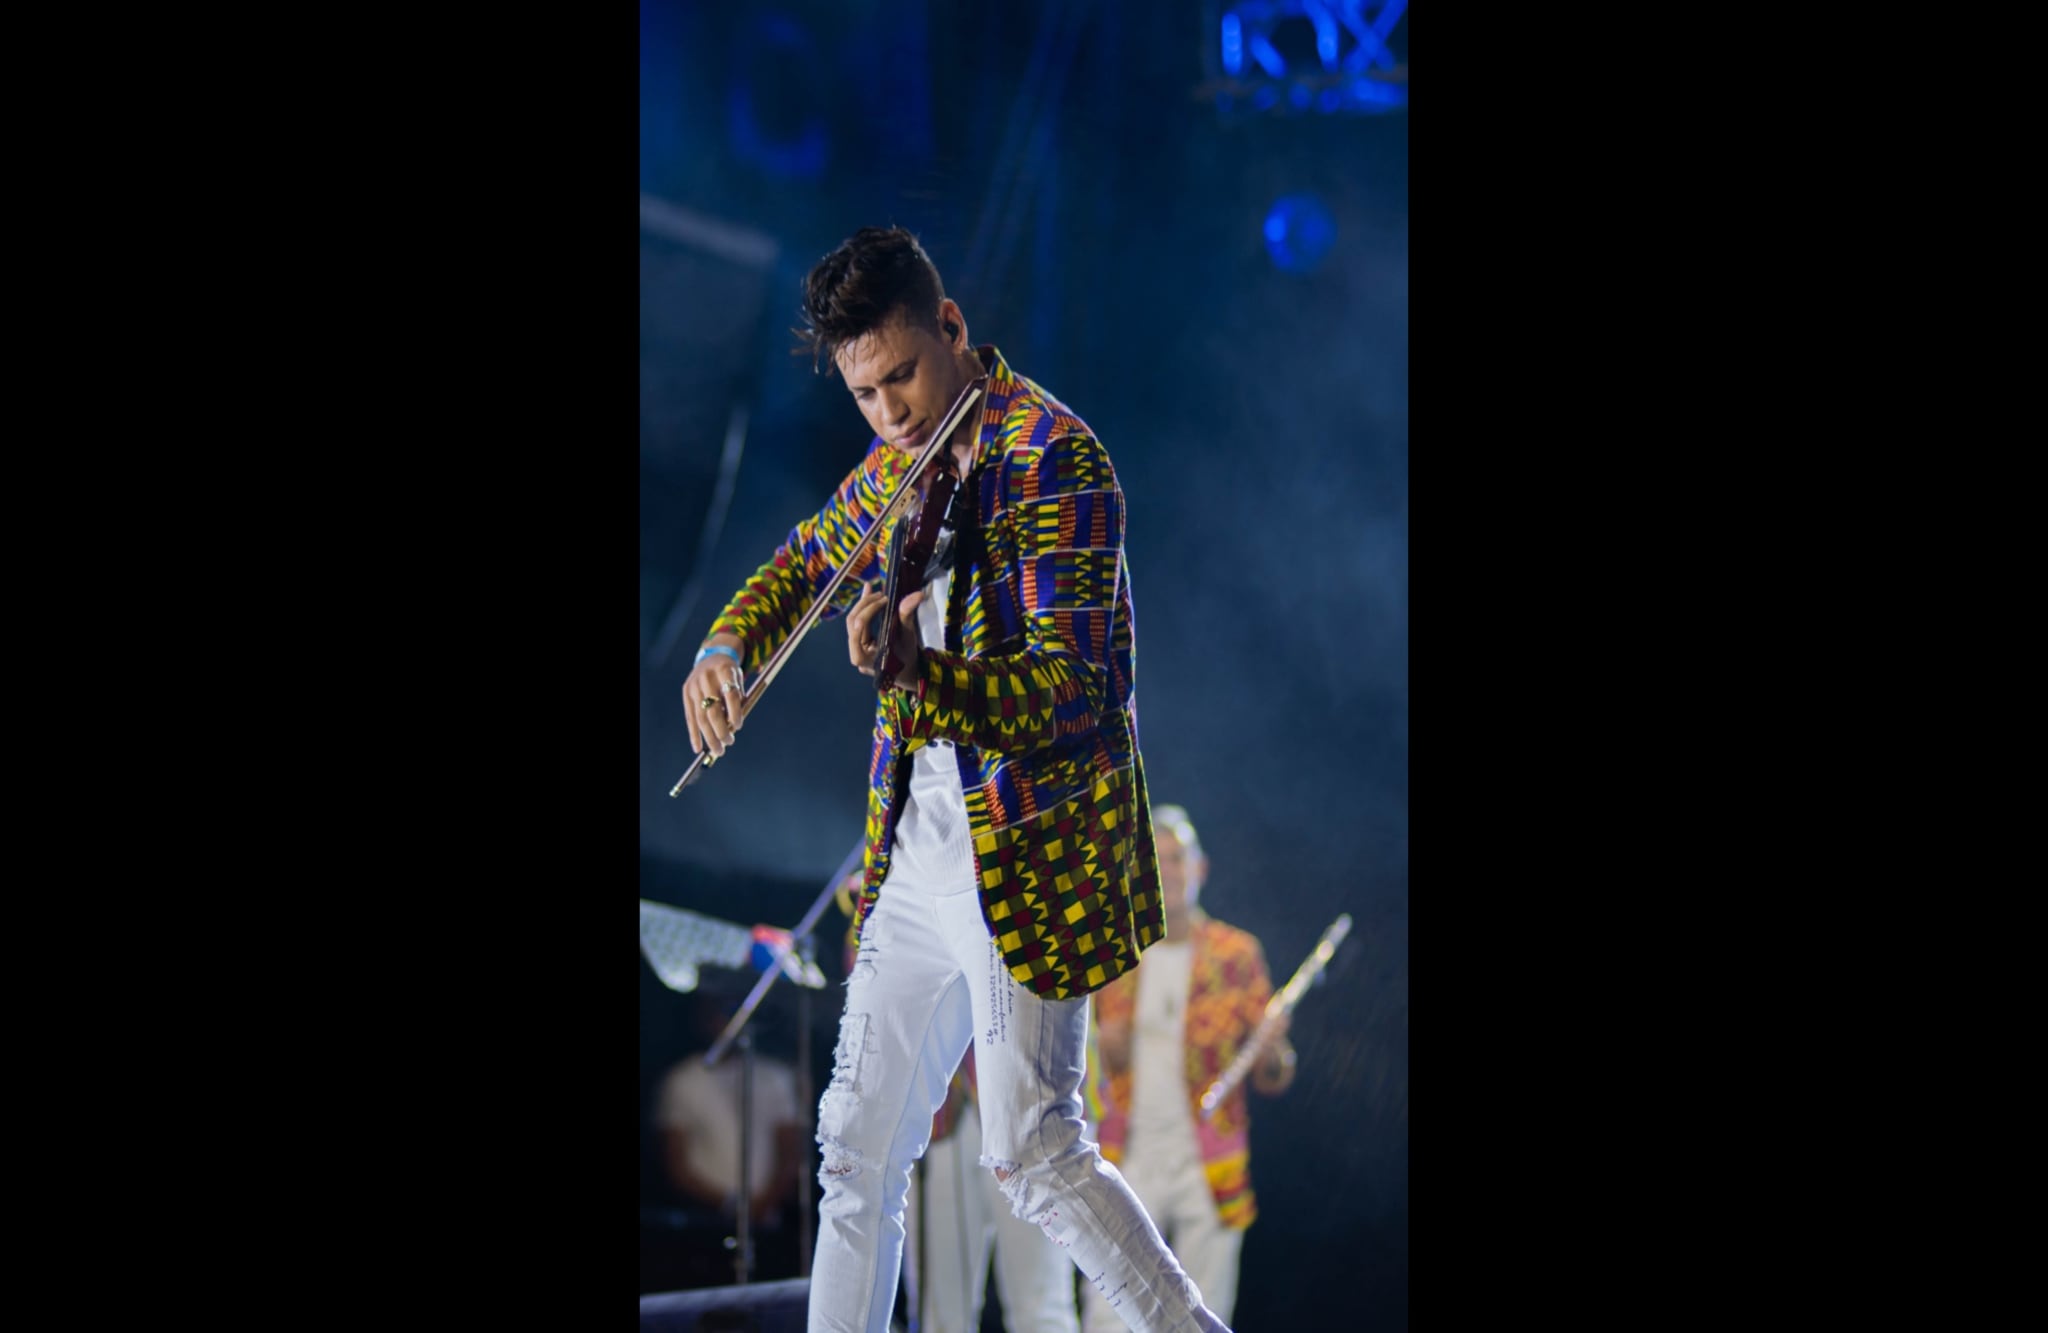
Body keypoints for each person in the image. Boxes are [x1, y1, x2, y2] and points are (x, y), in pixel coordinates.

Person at [682, 225, 1225, 1333]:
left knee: (1030, 1149)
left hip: (1028, 854)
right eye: (865, 394)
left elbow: (1073, 693)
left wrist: (915, 672)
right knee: (853, 1152)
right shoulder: (891, 468)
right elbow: (799, 565)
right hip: (914, 855)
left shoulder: (1055, 460)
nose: (890, 415)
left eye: (903, 378)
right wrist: (722, 650)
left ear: (952, 330)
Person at [1079, 807, 1296, 1331]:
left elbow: (1275, 1074)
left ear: (1200, 869)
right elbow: (1087, 1067)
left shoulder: (1236, 954)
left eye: (1178, 858)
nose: (1167, 870)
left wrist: (1273, 1049)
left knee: (1206, 1314)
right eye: (1154, 858)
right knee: (1108, 1314)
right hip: (1125, 1159)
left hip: (1209, 1161)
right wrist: (1101, 1046)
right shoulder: (1114, 953)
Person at [653, 987, 806, 1281]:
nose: (723, 1020)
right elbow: (674, 1163)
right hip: (703, 1228)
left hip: (770, 1226)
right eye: (715, 1011)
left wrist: (764, 1204)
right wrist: (729, 1205)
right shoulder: (681, 1081)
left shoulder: (777, 1078)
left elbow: (791, 1151)